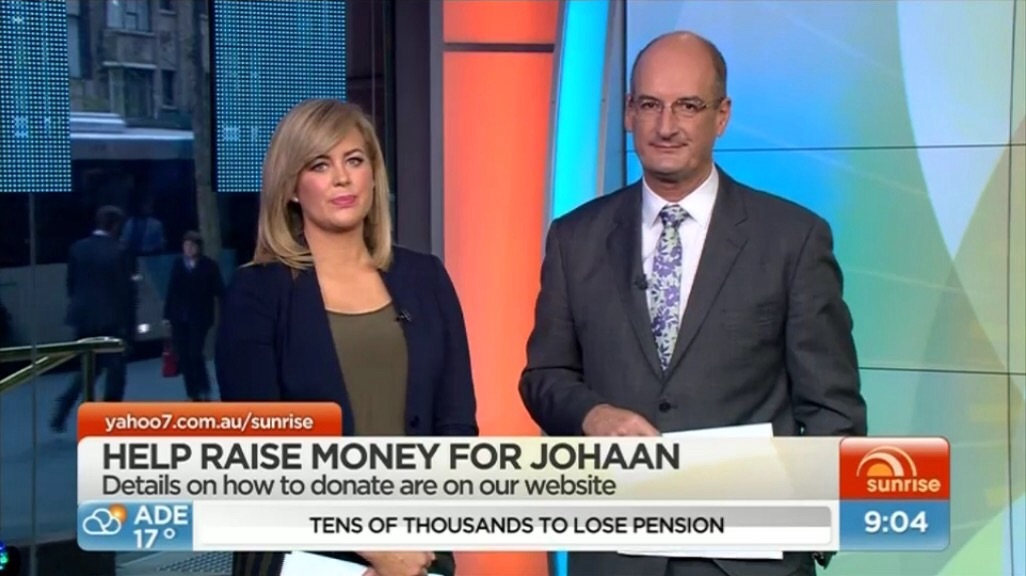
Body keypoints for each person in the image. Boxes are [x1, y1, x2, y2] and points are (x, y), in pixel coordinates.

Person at [519, 31, 867, 576]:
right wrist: (592, 415)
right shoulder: (575, 239)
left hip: (753, 560)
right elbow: (545, 376)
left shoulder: (792, 238)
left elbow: (832, 409)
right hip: (618, 554)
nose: (666, 126)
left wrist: (810, 527)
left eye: (687, 106)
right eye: (650, 105)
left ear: (721, 116)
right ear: (628, 112)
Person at [215, 99, 476, 576]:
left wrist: (418, 539)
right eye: (319, 165)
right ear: (291, 187)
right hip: (306, 555)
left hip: (418, 550)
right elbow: (258, 454)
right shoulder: (257, 293)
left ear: (372, 176)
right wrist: (373, 546)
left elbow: (456, 426)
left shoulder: (425, 277)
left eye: (354, 160)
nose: (341, 178)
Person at [51, 205, 135, 432]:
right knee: (116, 371)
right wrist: (129, 327)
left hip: (83, 317)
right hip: (111, 319)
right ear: (115, 226)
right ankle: (109, 418)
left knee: (90, 366)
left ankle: (64, 405)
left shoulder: (78, 247)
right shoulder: (120, 250)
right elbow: (125, 292)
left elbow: (71, 283)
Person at [163, 230, 224, 401]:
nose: (188, 248)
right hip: (179, 317)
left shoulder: (209, 266)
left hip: (200, 317)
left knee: (195, 353)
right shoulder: (178, 264)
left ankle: (203, 388)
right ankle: (192, 393)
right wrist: (166, 316)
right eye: (186, 245)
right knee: (183, 356)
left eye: (192, 245)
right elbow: (171, 290)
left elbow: (219, 290)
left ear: (199, 247)